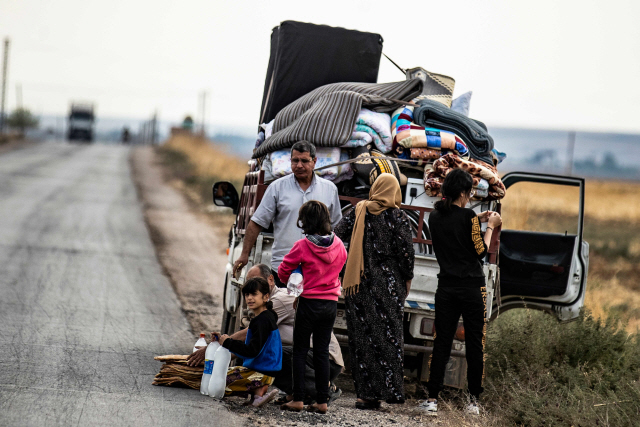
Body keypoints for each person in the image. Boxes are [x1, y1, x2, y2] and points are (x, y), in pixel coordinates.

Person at [186, 264, 345, 403]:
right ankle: (298, 393)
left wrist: (216, 351)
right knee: (268, 356)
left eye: (257, 283)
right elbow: (251, 339)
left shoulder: (277, 302)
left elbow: (250, 337)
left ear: (270, 280)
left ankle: (322, 391)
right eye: (249, 286)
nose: (252, 290)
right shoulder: (269, 303)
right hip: (313, 359)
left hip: (325, 361)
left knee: (271, 356)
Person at [418, 168, 502, 417]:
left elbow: (458, 232)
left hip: (446, 287)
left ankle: (432, 399)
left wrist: (478, 221)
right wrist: (490, 227)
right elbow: (480, 251)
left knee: (441, 343)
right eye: (470, 192)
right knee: (475, 344)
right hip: (472, 288)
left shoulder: (434, 216)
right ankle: (473, 402)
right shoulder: (469, 217)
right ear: (464, 193)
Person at [334, 173, 415, 410]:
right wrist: (407, 279)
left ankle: (364, 396)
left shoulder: (359, 211)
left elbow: (337, 236)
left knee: (361, 339)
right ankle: (388, 392)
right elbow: (406, 254)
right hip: (388, 287)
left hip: (357, 285)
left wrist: (345, 265)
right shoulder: (398, 217)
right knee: (388, 339)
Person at [232, 141, 342, 287]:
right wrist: (244, 254)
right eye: (295, 160)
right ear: (290, 161)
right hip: (283, 269)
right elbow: (257, 222)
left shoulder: (329, 189)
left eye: (304, 161)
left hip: (317, 271)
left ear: (314, 161)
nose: (299, 165)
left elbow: (336, 227)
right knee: (282, 308)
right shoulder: (277, 187)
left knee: (309, 310)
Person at [278, 201, 347, 414]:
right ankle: (322, 401)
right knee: (320, 351)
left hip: (308, 303)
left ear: (305, 221)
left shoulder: (303, 246)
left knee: (299, 351)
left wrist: (296, 282)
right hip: (330, 305)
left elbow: (282, 271)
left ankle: (297, 399)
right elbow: (341, 265)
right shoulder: (339, 245)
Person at [213, 277, 282, 407]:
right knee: (222, 376)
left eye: (254, 294)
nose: (249, 298)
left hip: (262, 372)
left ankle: (258, 388)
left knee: (219, 381)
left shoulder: (262, 321)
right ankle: (256, 395)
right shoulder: (265, 317)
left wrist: (228, 342)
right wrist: (223, 340)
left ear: (266, 297)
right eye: (247, 294)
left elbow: (251, 351)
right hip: (263, 371)